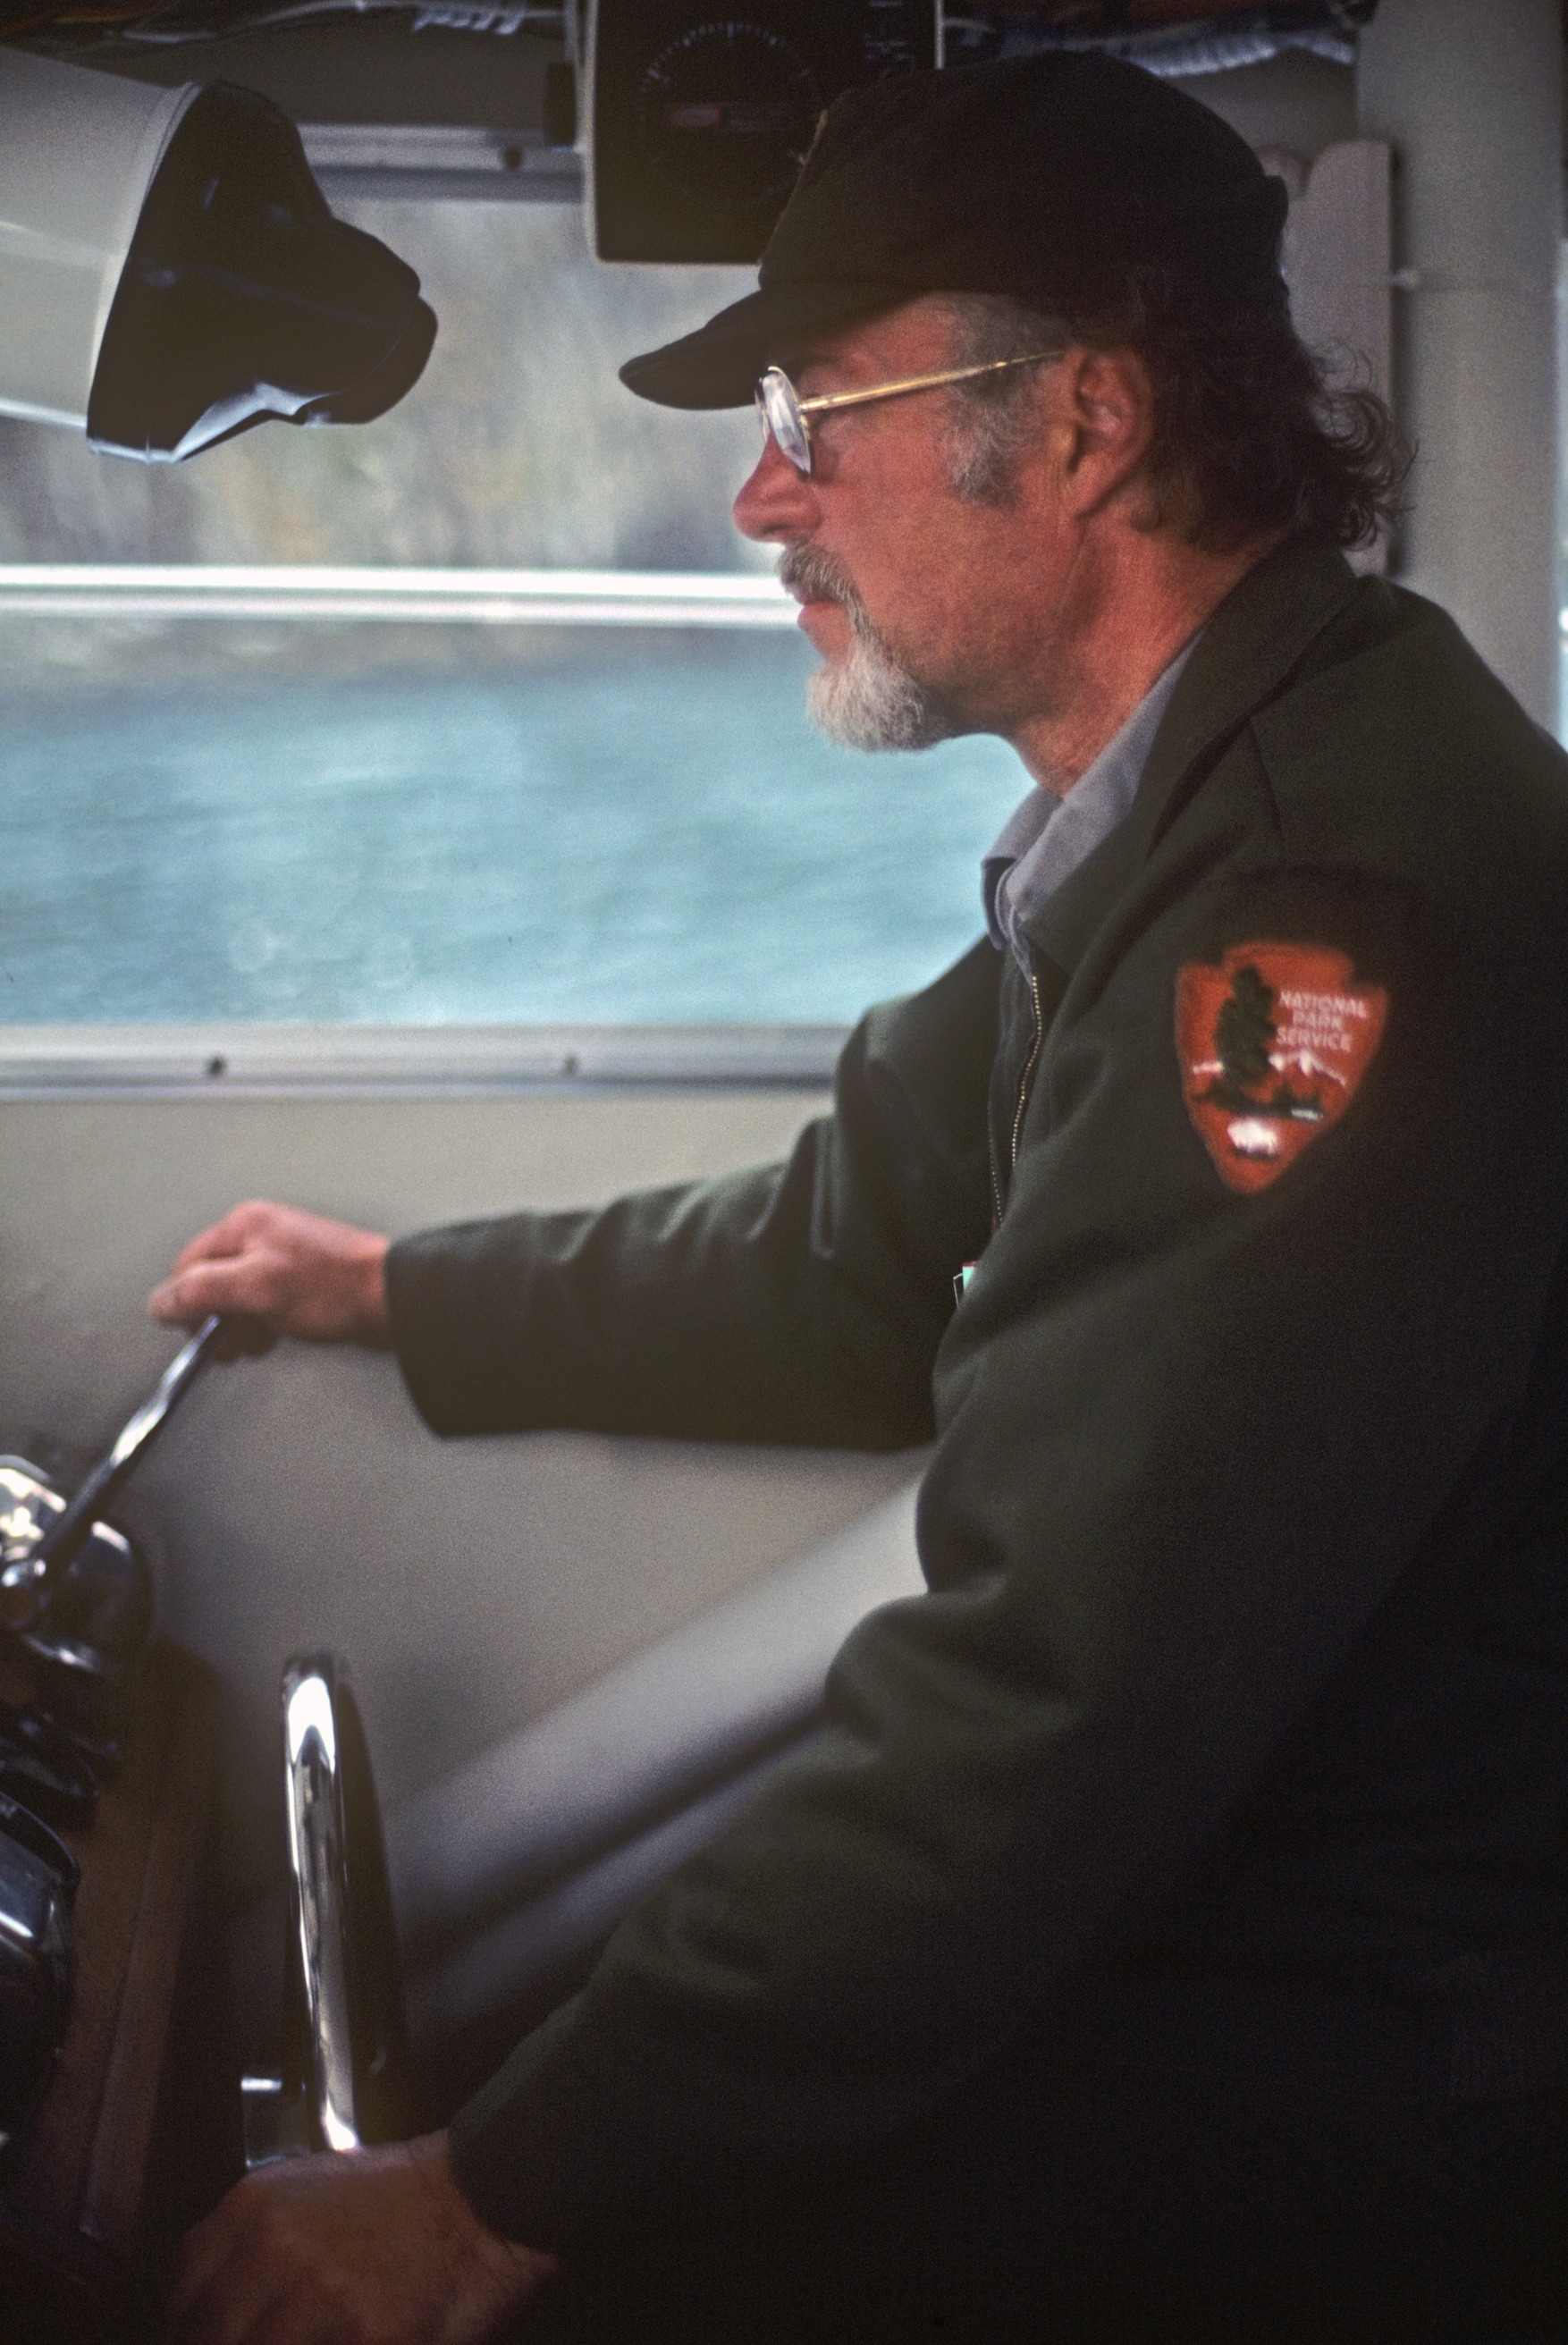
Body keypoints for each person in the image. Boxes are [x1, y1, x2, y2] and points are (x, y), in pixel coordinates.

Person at [161, 53, 1568, 2345]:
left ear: (1088, 426)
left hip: (1360, 2060)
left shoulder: (1321, 903)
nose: (757, 496)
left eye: (819, 417)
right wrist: (402, 1292)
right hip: (1199, 1940)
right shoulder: (1190, 803)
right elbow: (847, 1256)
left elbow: (1050, 1698)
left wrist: (495, 2196)